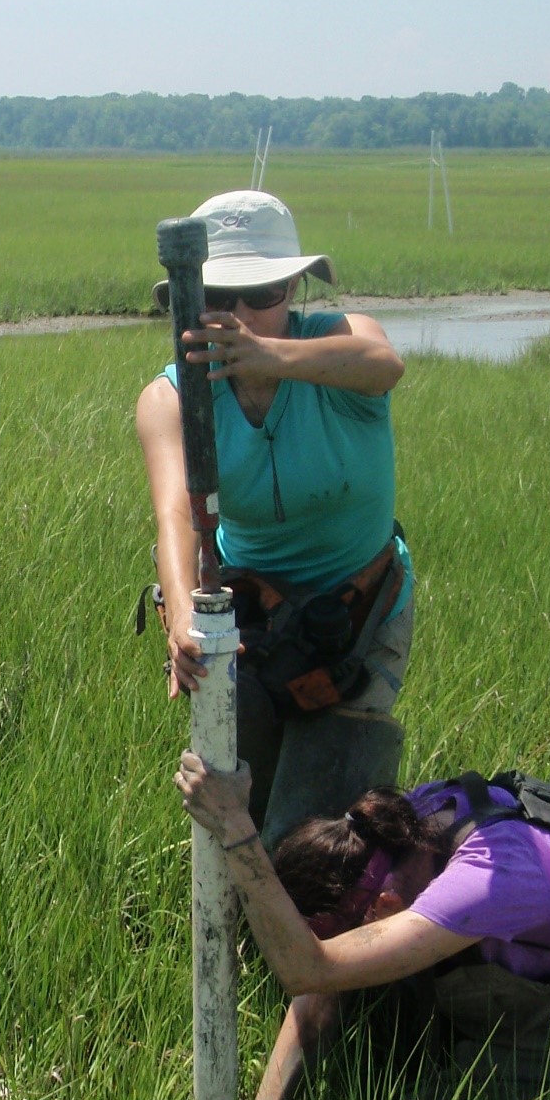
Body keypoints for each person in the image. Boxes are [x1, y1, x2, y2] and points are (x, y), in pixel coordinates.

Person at [174, 752, 550, 1100]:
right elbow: (315, 997)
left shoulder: (489, 877)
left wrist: (236, 825)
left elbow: (309, 971)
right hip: (542, 974)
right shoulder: (403, 827)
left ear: (386, 904)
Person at [136, 190, 411, 846]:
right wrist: (179, 617)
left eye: (259, 295)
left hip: (359, 606)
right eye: (218, 299)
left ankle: (322, 937)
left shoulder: (339, 342)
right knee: (241, 803)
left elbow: (384, 366)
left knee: (317, 825)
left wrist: (270, 357)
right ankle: (240, 939)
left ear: (292, 286)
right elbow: (174, 514)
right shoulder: (171, 394)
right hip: (249, 612)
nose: (237, 316)